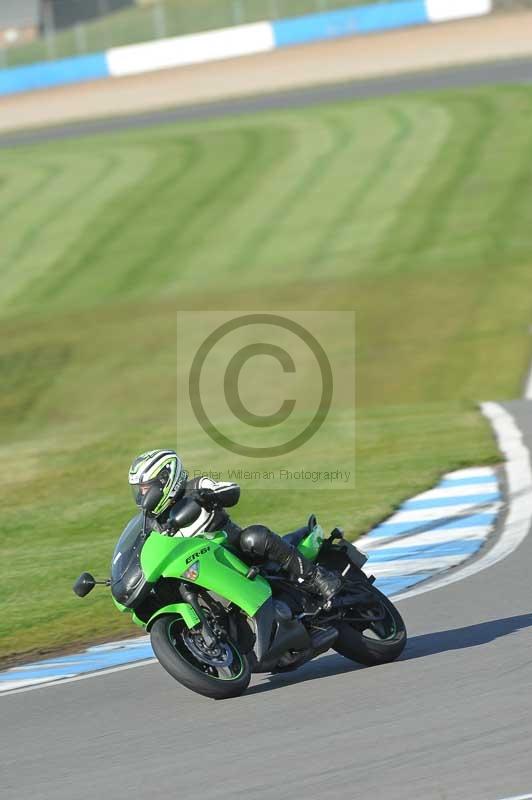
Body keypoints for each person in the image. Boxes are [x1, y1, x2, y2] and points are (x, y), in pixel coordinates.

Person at [128, 449, 341, 602]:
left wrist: (210, 495)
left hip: (238, 553)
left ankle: (317, 577)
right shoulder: (154, 523)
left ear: (166, 480)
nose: (142, 495)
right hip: (204, 571)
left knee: (254, 536)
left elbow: (232, 490)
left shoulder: (196, 486)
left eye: (146, 488)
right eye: (139, 490)